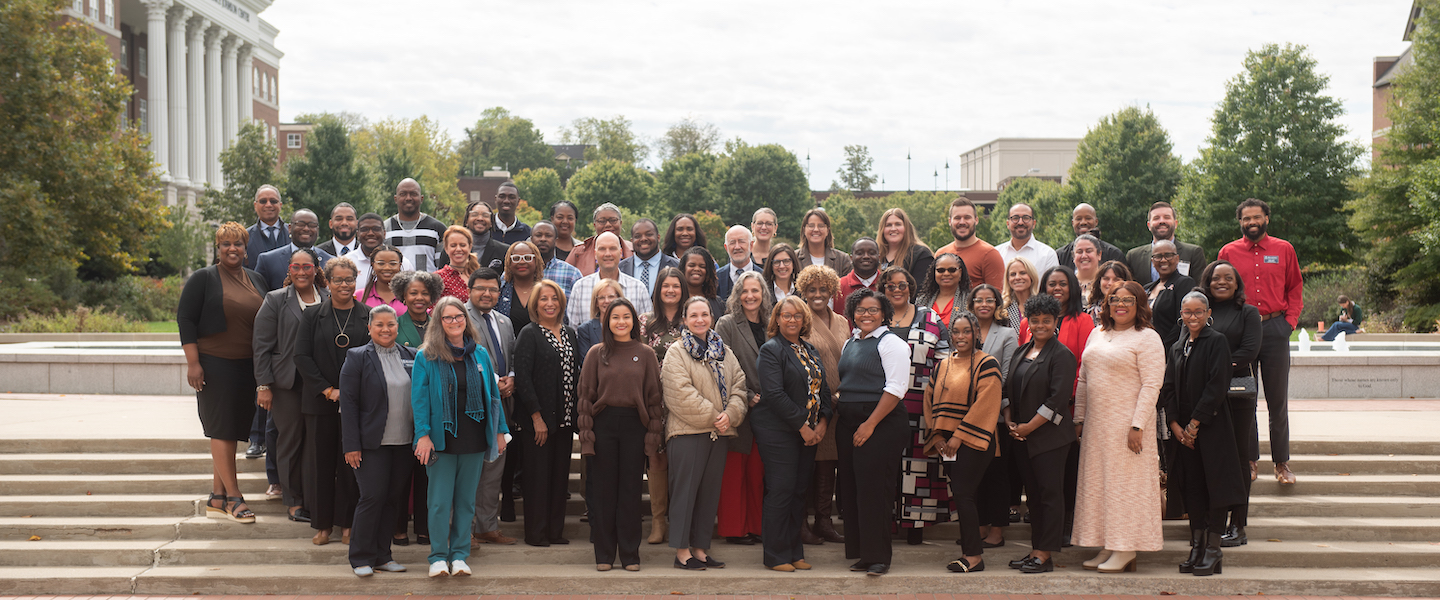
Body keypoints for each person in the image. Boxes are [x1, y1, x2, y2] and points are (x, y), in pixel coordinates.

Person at [1072, 281, 1167, 573]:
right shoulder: (1097, 333)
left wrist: (1137, 424)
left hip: (1129, 425)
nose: (1120, 305)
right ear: (1107, 304)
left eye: (1128, 300)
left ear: (1139, 305)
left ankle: (1127, 548)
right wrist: (1079, 417)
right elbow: (1084, 378)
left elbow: (1153, 385)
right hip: (1097, 426)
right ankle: (1109, 543)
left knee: (1126, 487)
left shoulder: (1147, 338)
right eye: (1115, 299)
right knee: (1101, 486)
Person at [410, 296, 508, 578]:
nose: (455, 322)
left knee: (466, 501)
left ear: (466, 320)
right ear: (438, 322)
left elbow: (493, 397)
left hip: (475, 436)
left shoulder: (479, 354)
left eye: (459, 317)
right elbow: (419, 401)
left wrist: (501, 430)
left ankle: (460, 555)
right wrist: (423, 435)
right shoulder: (425, 355)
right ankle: (438, 556)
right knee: (440, 501)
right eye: (448, 318)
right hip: (441, 438)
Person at [178, 222, 266, 524]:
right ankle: (234, 498)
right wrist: (193, 363)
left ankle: (216, 497)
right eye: (226, 244)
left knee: (231, 430)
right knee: (221, 429)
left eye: (238, 244)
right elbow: (186, 318)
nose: (232, 249)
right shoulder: (204, 278)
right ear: (218, 248)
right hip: (215, 363)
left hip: (246, 366)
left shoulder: (255, 278)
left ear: (246, 247)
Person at [1218, 198, 1303, 485]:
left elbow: (1295, 287)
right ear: (1240, 221)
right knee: (1245, 398)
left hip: (1275, 328)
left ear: (1266, 218)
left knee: (1277, 401)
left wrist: (1289, 323)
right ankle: (1249, 461)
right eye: (1246, 218)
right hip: (1242, 333)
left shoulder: (1284, 249)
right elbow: (1219, 291)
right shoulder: (1228, 251)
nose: (1251, 222)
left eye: (1257, 217)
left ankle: (1282, 464)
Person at [578, 298, 667, 572]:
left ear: (634, 321)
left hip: (634, 426)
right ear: (607, 321)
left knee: (629, 492)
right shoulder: (596, 353)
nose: (621, 322)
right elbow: (584, 397)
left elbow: (654, 399)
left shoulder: (646, 353)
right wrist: (587, 436)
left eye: (626, 317)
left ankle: (630, 554)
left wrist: (652, 436)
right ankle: (604, 554)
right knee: (604, 493)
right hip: (603, 424)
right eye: (615, 317)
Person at [662, 296, 749, 570]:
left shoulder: (724, 350)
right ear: (685, 320)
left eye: (705, 314)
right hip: (688, 433)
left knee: (708, 494)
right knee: (685, 494)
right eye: (694, 315)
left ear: (711, 317)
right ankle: (682, 551)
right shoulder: (676, 352)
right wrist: (716, 417)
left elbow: (739, 386)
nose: (700, 319)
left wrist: (731, 415)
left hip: (718, 434)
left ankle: (700, 549)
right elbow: (679, 393)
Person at [1164, 291, 1246, 577]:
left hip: (1210, 429)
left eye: (1199, 311)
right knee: (1193, 489)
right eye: (1188, 312)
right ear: (1181, 315)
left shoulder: (1217, 342)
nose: (1193, 317)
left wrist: (1195, 424)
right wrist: (1175, 426)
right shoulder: (1177, 346)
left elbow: (1216, 386)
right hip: (1183, 434)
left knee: (1215, 488)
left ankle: (1213, 549)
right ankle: (1197, 546)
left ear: (1208, 313)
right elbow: (1169, 388)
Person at [835, 288, 910, 576]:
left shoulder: (891, 343)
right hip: (849, 422)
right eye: (861, 310)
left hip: (880, 423)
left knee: (875, 490)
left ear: (884, 314)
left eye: (873, 310)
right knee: (852, 488)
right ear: (852, 313)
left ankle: (878, 557)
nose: (866, 315)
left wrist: (870, 424)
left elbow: (896, 388)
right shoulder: (850, 342)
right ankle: (862, 553)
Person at [754, 296, 832, 571]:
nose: (791, 320)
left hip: (809, 433)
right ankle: (776, 555)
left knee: (799, 492)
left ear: (804, 320)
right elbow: (774, 394)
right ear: (776, 319)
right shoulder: (771, 350)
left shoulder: (810, 349)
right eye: (786, 315)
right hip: (779, 432)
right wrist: (803, 427)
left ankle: (794, 551)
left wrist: (822, 423)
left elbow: (822, 390)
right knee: (782, 490)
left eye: (797, 316)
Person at [252, 247, 330, 524]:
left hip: (322, 384)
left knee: (316, 443)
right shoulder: (275, 300)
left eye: (306, 267)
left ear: (316, 269)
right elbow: (261, 345)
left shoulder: (329, 297)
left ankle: (314, 499)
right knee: (290, 441)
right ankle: (294, 500)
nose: (300, 272)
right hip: (287, 384)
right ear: (289, 270)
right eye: (295, 267)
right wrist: (263, 384)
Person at [295, 256, 368, 546]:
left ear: (356, 280)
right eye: (337, 280)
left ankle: (348, 524)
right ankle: (323, 525)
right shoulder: (313, 315)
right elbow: (301, 356)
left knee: (352, 466)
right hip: (320, 403)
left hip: (358, 403)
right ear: (328, 281)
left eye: (349, 279)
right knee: (321, 465)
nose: (344, 285)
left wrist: (352, 393)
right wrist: (327, 389)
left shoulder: (368, 314)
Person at [339, 305, 416, 577]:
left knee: (392, 500)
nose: (386, 329)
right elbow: (348, 404)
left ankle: (383, 555)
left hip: (404, 443)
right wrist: (351, 445)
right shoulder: (357, 357)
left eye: (391, 324)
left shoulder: (412, 356)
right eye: (379, 325)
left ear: (398, 326)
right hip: (371, 444)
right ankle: (361, 557)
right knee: (372, 497)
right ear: (369, 328)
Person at [1003, 294, 1078, 574]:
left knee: (1049, 496)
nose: (1041, 325)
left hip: (1050, 439)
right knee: (1032, 497)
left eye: (1047, 320)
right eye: (1035, 320)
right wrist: (1011, 422)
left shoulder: (1062, 355)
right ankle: (1035, 550)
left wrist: (1028, 427)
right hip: (1021, 436)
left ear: (1055, 321)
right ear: (1028, 322)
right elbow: (1009, 388)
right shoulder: (1021, 351)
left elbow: (1057, 400)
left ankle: (1046, 554)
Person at [925, 310, 1004, 573]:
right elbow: (929, 399)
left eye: (966, 331)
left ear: (976, 334)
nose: (960, 336)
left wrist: (958, 437)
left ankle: (973, 556)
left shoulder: (987, 363)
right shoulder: (944, 364)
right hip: (946, 443)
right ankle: (971, 551)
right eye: (955, 331)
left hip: (973, 439)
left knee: (964, 494)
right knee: (963, 494)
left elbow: (987, 403)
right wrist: (937, 436)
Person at [881, 266, 951, 544]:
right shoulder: (875, 317)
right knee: (887, 466)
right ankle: (886, 521)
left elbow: (945, 362)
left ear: (911, 287)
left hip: (921, 406)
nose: (896, 290)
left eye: (902, 285)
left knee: (917, 466)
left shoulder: (930, 318)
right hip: (883, 407)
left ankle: (915, 525)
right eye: (890, 286)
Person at [1198, 260, 1263, 548]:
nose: (1221, 282)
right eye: (1215, 278)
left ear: (1237, 283)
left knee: (1237, 460)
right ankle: (1212, 524)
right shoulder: (1202, 313)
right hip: (1204, 394)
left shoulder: (1248, 313)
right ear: (1207, 282)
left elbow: (1248, 351)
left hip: (1236, 395)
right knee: (1211, 459)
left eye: (1228, 278)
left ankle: (1238, 525)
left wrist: (1215, 369)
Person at [513, 279, 581, 546]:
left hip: (564, 421)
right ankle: (536, 533)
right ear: (535, 304)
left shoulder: (570, 334)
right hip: (537, 422)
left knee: (558, 477)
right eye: (543, 299)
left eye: (554, 298)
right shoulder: (529, 334)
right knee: (538, 479)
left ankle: (555, 531)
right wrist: (536, 416)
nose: (550, 303)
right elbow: (523, 379)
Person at [714, 271, 771, 546]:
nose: (750, 296)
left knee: (757, 473)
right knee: (734, 473)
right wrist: (746, 394)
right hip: (739, 406)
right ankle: (735, 529)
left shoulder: (772, 322)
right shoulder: (726, 324)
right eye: (745, 291)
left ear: (764, 294)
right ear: (737, 295)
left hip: (770, 409)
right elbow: (720, 364)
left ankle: (757, 526)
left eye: (755, 291)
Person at [464, 268, 519, 546]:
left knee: (494, 466)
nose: (487, 294)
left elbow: (509, 358)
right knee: (471, 468)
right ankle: (466, 528)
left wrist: (511, 378)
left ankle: (487, 526)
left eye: (493, 289)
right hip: (470, 405)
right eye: (481, 289)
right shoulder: (459, 318)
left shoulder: (504, 321)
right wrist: (493, 381)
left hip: (501, 405)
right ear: (469, 290)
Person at [795, 265, 848, 545]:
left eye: (823, 289)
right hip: (810, 404)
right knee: (807, 465)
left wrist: (842, 394)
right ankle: (802, 522)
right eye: (812, 289)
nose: (818, 294)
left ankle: (824, 522)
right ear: (803, 291)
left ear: (833, 291)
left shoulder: (842, 321)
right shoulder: (798, 319)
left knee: (829, 464)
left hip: (840, 403)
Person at [387, 269, 440, 547]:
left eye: (424, 293)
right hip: (400, 408)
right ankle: (398, 527)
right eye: (413, 293)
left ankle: (424, 526)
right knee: (400, 474)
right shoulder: (394, 324)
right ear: (403, 296)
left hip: (432, 409)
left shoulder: (440, 325)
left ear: (432, 296)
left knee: (426, 472)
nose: (419, 298)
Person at [638, 266, 688, 544]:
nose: (670, 290)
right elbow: (638, 359)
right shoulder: (645, 321)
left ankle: (680, 520)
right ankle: (658, 522)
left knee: (682, 461)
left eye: (676, 286)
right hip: (654, 401)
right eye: (665, 286)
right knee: (656, 458)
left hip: (684, 402)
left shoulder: (693, 319)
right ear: (658, 290)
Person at [968, 284, 1020, 548]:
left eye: (990, 300)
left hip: (996, 416)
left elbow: (1008, 375)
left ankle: (997, 530)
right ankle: (978, 527)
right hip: (966, 415)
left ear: (998, 304)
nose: (984, 304)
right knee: (974, 474)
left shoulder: (1008, 334)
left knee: (997, 475)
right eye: (979, 300)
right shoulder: (965, 329)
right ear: (971, 304)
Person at [567, 232, 652, 327]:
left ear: (620, 253)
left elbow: (646, 330)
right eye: (602, 249)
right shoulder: (580, 288)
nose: (607, 254)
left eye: (612, 249)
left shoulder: (638, 289)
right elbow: (574, 331)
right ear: (595, 254)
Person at [1126, 201, 1208, 285]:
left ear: (1175, 224)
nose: (1162, 221)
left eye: (1167, 217)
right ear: (1149, 225)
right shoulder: (1134, 256)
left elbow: (1199, 287)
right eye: (1156, 218)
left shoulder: (1193, 253)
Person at [255, 209, 334, 291]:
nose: (306, 229)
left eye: (312, 225)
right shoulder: (268, 260)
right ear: (289, 228)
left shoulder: (330, 261)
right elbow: (258, 295)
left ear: (317, 230)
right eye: (300, 224)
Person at [936, 196, 1006, 288]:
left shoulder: (990, 255)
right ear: (950, 221)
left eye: (967, 217)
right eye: (957, 218)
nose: (962, 222)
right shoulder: (940, 255)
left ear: (976, 220)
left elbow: (996, 297)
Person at [1146, 239, 1200, 351]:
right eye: (1158, 256)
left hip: (1170, 350)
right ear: (1152, 261)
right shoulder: (1146, 288)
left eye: (1168, 255)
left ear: (1177, 259)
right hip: (1145, 348)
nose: (1163, 260)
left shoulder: (1184, 283)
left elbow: (1181, 322)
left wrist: (1162, 348)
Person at [385, 178, 448, 274]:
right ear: (395, 199)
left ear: (421, 198)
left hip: (428, 287)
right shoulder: (384, 228)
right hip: (393, 287)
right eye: (403, 194)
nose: (408, 198)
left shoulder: (437, 229)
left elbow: (443, 268)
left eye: (413, 194)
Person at [567, 203, 634, 276]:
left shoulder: (633, 250)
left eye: (613, 220)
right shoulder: (578, 251)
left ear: (620, 223)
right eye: (602, 221)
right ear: (595, 225)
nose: (608, 224)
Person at [620, 218, 679, 297]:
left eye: (649, 234)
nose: (643, 239)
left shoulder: (677, 266)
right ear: (632, 241)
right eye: (637, 236)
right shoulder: (620, 268)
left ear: (658, 237)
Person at [352, 213, 415, 288]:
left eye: (376, 229)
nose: (370, 233)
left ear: (384, 233)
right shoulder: (348, 262)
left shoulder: (403, 263)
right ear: (358, 234)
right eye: (364, 229)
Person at [1055, 203, 1124, 270]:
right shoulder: (1060, 256)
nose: (1083, 222)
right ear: (1073, 223)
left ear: (1096, 221)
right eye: (1078, 219)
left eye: (1088, 218)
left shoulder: (1114, 254)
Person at [497, 240, 545, 334]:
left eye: (527, 258)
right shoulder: (500, 290)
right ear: (509, 262)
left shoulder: (546, 291)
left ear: (536, 261)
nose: (522, 262)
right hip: (508, 347)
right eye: (516, 258)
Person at [997, 203, 1059, 275]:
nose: (1020, 222)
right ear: (1008, 224)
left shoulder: (1048, 254)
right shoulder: (997, 253)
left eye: (1026, 218)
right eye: (1015, 218)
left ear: (1034, 223)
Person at [878, 208, 935, 284]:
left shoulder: (921, 254)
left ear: (906, 228)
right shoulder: (875, 255)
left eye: (898, 224)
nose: (893, 228)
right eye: (888, 225)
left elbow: (922, 291)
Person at [916, 252, 972, 328]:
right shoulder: (922, 300)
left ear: (960, 272)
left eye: (952, 270)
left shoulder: (969, 300)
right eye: (941, 270)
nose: (946, 274)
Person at [576, 278, 625, 364]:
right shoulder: (585, 329)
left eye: (611, 297)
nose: (606, 301)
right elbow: (586, 363)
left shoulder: (626, 326)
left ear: (619, 298)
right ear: (596, 302)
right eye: (601, 298)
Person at [530, 220, 583, 298]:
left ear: (556, 241)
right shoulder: (521, 269)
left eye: (548, 236)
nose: (543, 239)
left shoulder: (572, 273)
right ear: (531, 239)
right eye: (538, 235)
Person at [835, 238, 882, 316]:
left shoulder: (889, 285)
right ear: (851, 258)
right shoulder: (837, 287)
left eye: (872, 253)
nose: (866, 256)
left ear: (879, 257)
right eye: (860, 253)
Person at [245, 185, 288, 270]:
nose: (268, 205)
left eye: (273, 201)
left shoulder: (294, 234)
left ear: (280, 205)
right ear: (255, 205)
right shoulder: (245, 237)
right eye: (263, 201)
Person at [799, 208, 852, 276]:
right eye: (811, 226)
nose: (816, 229)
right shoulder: (794, 259)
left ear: (828, 230)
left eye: (821, 226)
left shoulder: (842, 259)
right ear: (804, 230)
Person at [462, 200, 510, 271]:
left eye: (485, 215)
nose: (480, 218)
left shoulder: (505, 251)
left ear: (491, 223)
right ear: (466, 221)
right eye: (475, 214)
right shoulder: (453, 249)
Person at [435, 226, 480, 300]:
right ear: (446, 249)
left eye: (463, 245)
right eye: (453, 245)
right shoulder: (438, 278)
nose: (458, 249)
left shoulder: (477, 276)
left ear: (470, 247)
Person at [717, 225, 760, 302]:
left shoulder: (764, 276)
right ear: (726, 248)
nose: (737, 247)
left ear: (751, 245)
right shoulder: (716, 278)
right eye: (732, 242)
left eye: (741, 241)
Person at [357, 245, 405, 312]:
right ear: (373, 265)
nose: (387, 268)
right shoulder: (359, 296)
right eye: (381, 263)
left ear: (399, 265)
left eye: (393, 264)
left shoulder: (409, 295)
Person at [682, 246, 727, 318]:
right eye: (691, 265)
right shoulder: (675, 300)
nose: (696, 269)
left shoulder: (717, 303)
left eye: (702, 266)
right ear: (683, 268)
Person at [1003, 257, 1040, 329]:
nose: (1017, 277)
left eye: (1022, 273)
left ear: (1031, 276)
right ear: (1008, 279)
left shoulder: (1042, 305)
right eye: (1013, 274)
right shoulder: (1003, 308)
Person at [1070, 234, 1104, 307]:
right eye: (1079, 252)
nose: (1084, 256)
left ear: (1099, 255)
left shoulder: (1107, 283)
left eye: (1089, 251)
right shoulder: (1067, 284)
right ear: (1073, 256)